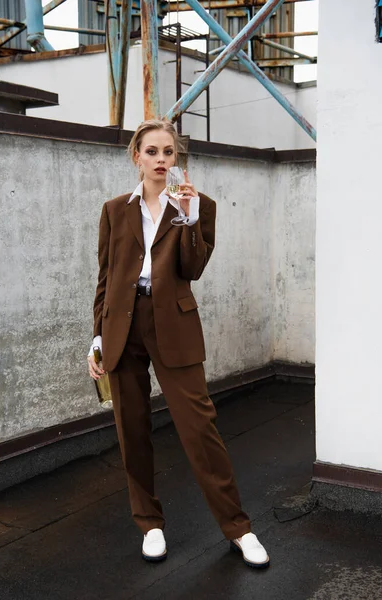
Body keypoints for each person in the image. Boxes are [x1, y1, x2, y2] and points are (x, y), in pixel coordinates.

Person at [87, 119, 269, 569]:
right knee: (131, 429)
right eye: (152, 152)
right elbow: (105, 278)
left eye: (169, 152)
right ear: (137, 156)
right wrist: (96, 338)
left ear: (176, 158)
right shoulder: (114, 210)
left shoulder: (196, 205)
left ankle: (238, 528)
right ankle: (149, 524)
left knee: (199, 428)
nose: (161, 160)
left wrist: (187, 216)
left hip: (173, 324)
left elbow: (193, 268)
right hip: (121, 327)